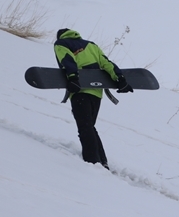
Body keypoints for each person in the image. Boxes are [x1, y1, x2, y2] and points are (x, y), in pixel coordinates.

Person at [54, 28, 133, 169]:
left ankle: (92, 162)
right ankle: (102, 161)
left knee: (85, 127)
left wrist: (72, 78)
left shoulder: (61, 43)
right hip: (97, 93)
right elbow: (105, 63)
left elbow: (67, 60)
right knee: (89, 126)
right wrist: (120, 78)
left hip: (80, 90)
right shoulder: (92, 45)